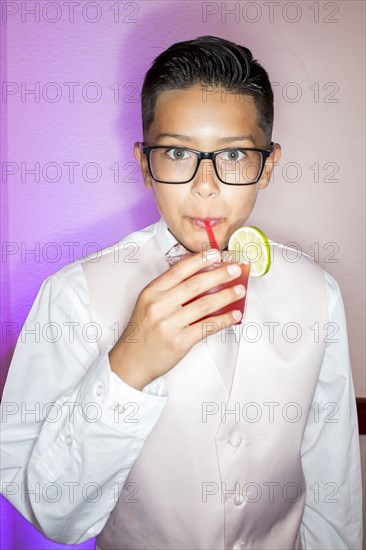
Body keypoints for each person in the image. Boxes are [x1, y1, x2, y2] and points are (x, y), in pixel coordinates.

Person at [0, 36, 362, 550]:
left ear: (269, 164)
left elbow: (333, 481)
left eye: (233, 154)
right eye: (176, 152)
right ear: (146, 164)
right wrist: (128, 365)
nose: (206, 185)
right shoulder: (71, 296)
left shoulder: (316, 291)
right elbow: (51, 513)